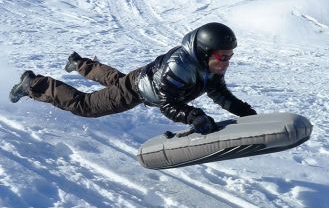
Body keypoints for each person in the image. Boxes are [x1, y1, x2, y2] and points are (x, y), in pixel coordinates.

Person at [9, 22, 256, 135]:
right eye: (223, 57)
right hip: (137, 90)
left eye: (229, 56)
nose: (227, 62)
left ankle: (78, 62)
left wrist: (246, 113)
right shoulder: (179, 68)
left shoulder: (209, 66)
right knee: (85, 106)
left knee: (117, 80)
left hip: (142, 78)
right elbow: (167, 105)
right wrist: (194, 116)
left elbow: (220, 94)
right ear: (204, 52)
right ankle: (33, 84)